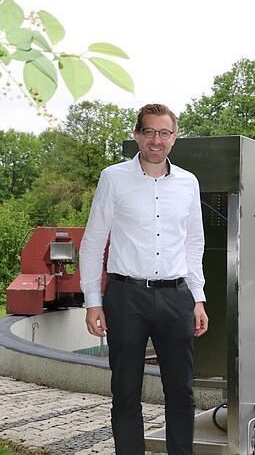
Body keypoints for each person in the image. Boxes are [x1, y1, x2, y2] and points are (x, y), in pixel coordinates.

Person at [80, 103, 209, 455]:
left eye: (164, 133)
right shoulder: (113, 177)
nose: (156, 140)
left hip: (176, 296)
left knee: (181, 392)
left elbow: (193, 243)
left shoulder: (188, 183)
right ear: (137, 135)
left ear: (174, 138)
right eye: (149, 132)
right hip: (125, 297)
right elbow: (93, 241)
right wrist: (93, 301)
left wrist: (197, 298)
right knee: (125, 392)